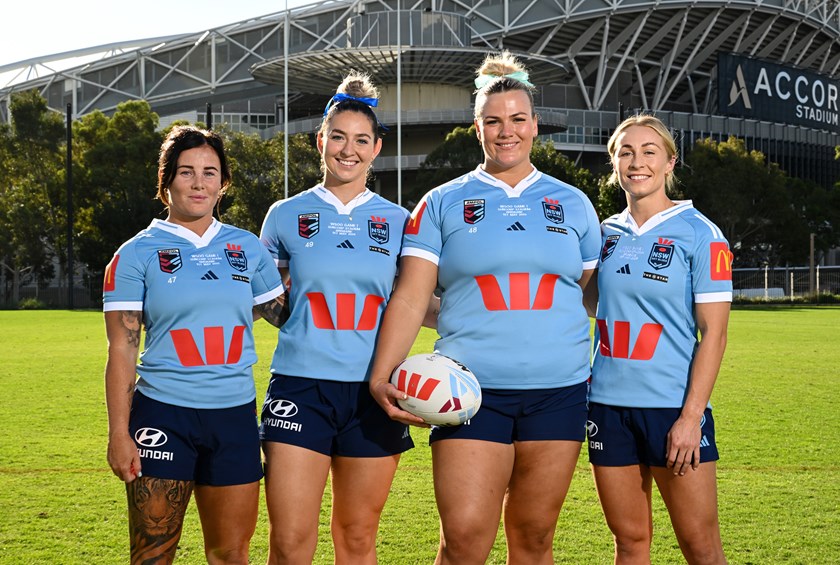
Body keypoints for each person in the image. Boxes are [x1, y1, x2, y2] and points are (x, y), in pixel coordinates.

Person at [368, 51, 602, 564]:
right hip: (470, 393)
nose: (507, 131)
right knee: (466, 539)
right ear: (477, 128)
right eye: (494, 121)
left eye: (518, 119)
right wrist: (381, 374)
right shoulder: (443, 202)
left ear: (535, 125)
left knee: (535, 538)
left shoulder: (575, 204)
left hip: (558, 393)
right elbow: (410, 296)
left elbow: (585, 289)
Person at [258, 72, 430, 565]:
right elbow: (269, 299)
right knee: (290, 543)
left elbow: (415, 300)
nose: (347, 150)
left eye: (360, 140)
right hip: (299, 388)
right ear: (321, 141)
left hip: (373, 393)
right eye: (338, 137)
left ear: (376, 148)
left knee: (356, 540)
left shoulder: (400, 221)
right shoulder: (285, 214)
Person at [103, 125, 286, 564]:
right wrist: (118, 432)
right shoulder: (135, 253)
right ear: (166, 183)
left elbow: (282, 313)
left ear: (223, 183)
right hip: (163, 415)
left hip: (234, 416)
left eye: (210, 172)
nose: (199, 182)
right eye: (186, 172)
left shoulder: (246, 247)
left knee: (230, 554)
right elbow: (122, 349)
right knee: (152, 555)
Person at [587, 114, 732, 564]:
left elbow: (715, 333)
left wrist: (691, 418)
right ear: (614, 164)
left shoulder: (700, 234)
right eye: (625, 152)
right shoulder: (604, 233)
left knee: (699, 545)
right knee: (629, 543)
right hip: (607, 408)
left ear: (670, 161)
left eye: (649, 151)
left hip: (672, 409)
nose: (637, 162)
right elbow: (587, 302)